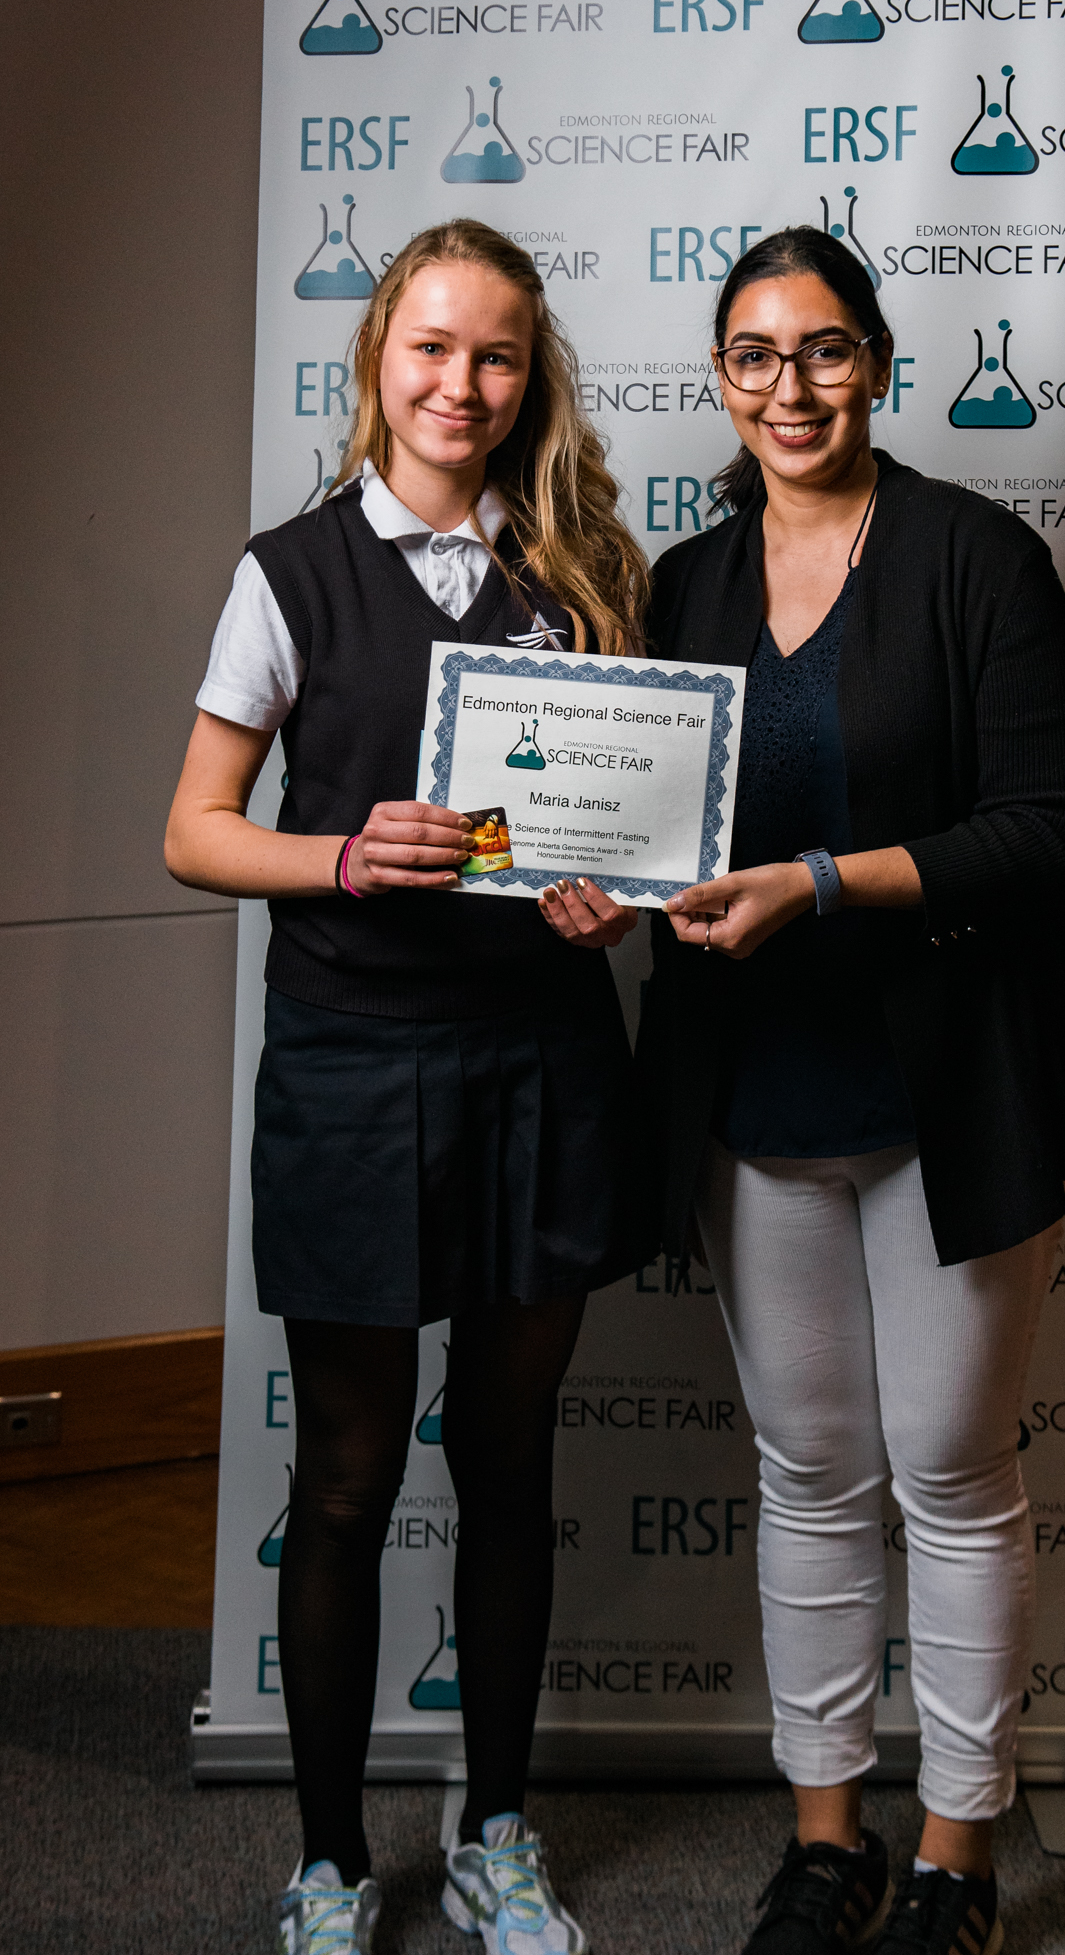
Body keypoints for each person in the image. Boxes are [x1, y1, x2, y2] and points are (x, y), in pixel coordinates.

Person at [548, 227, 1065, 1955]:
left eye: (821, 349)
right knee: (807, 1471)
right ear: (721, 381)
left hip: (953, 1092)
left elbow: (1050, 836)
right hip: (756, 1097)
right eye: (752, 355)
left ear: (876, 360)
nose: (787, 387)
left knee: (951, 1471)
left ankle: (956, 1857)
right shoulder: (683, 585)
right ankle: (827, 1844)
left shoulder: (977, 559)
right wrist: (596, 889)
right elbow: (644, 827)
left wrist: (820, 882)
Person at [165, 219, 648, 1955]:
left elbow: (621, 827)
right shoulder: (288, 573)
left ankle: (495, 1833)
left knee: (510, 1461)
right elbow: (193, 831)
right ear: (378, 355)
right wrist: (343, 857)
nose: (463, 383)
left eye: (497, 353)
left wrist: (614, 896)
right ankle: (328, 1862)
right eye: (432, 346)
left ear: (533, 378)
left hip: (541, 1055)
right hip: (354, 1062)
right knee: (352, 1478)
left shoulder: (588, 570)